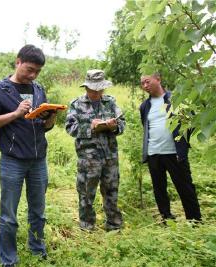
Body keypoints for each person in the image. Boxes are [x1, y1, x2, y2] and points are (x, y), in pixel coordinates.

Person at [0, 45, 56, 266]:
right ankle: (8, 259)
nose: (32, 75)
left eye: (37, 72)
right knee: (8, 215)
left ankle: (37, 249)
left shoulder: (39, 89)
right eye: (29, 69)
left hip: (38, 160)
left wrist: (50, 120)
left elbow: (43, 126)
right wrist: (15, 113)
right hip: (12, 161)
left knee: (38, 211)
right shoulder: (0, 89)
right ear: (18, 62)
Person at [65, 69, 125, 231]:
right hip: (88, 159)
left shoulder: (111, 102)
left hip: (110, 157)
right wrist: (91, 128)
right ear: (86, 88)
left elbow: (122, 125)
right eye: (92, 89)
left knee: (111, 190)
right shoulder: (76, 104)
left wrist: (114, 127)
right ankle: (87, 225)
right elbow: (70, 128)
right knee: (86, 192)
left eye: (99, 89)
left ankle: (114, 224)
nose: (95, 93)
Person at [139, 73, 201, 223]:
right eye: (142, 84)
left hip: (174, 153)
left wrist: (182, 143)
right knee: (159, 189)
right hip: (154, 153)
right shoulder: (145, 106)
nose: (145, 86)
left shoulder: (175, 99)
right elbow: (146, 127)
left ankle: (195, 221)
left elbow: (190, 122)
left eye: (147, 82)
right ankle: (166, 218)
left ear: (158, 79)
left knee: (185, 187)